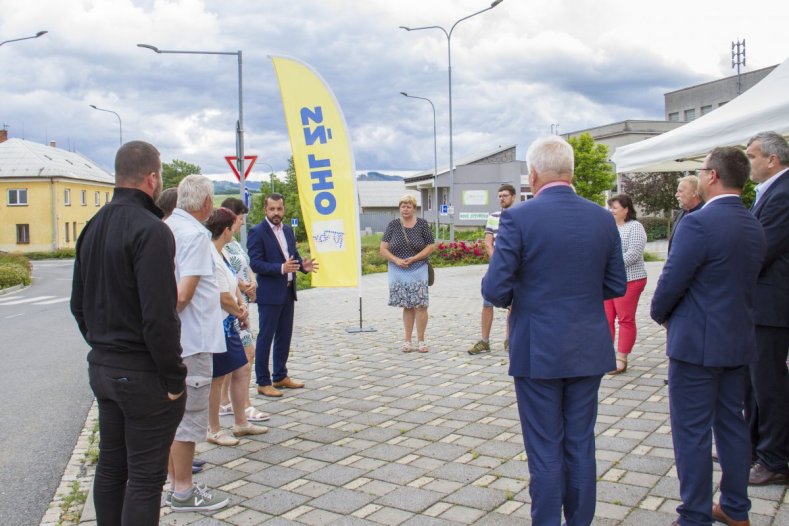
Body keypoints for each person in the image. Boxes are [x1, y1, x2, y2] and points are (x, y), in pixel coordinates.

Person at [482, 136, 626, 525]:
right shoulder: (602, 217)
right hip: (588, 345)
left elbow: (495, 289)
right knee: (580, 442)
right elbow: (616, 284)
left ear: (532, 175)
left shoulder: (518, 218)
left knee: (545, 447)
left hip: (538, 348)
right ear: (572, 172)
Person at [70, 140, 187, 525]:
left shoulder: (92, 225)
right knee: (144, 477)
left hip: (103, 367)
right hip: (142, 374)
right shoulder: (151, 230)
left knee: (111, 466)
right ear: (152, 178)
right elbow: (160, 316)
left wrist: (104, 346)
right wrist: (174, 377)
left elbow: (78, 304)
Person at [651, 146, 766, 526]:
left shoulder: (698, 223)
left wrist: (659, 314)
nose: (698, 176)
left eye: (701, 170)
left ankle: (694, 515)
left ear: (712, 176)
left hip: (696, 344)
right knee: (732, 425)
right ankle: (735, 507)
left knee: (692, 433)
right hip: (737, 339)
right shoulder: (753, 223)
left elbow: (672, 281)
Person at [165, 174, 229, 512]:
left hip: (175, 340)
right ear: (205, 204)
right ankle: (184, 492)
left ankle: (175, 483)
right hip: (192, 341)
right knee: (189, 420)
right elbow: (184, 294)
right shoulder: (194, 236)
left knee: (174, 417)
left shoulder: (167, 226)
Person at [744, 131, 789, 486]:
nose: (748, 163)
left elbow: (762, 249)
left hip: (773, 306)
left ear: (772, 159)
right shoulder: (772, 191)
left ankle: (774, 458)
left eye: (752, 156)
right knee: (758, 382)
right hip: (764, 305)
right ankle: (755, 445)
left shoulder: (783, 193)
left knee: (769, 383)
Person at [203, 207, 268, 446]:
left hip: (231, 321)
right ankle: (214, 429)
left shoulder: (223, 254)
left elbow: (233, 284)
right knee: (218, 377)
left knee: (241, 367)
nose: (236, 229)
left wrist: (241, 304)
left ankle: (241, 422)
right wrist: (239, 310)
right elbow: (221, 294)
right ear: (226, 230)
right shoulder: (210, 254)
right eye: (234, 225)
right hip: (220, 323)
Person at [247, 193, 318, 397]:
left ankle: (280, 376)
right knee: (265, 338)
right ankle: (262, 381)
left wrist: (302, 267)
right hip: (269, 294)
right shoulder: (257, 232)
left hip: (288, 292)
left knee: (284, 337)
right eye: (272, 209)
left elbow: (292, 257)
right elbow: (255, 263)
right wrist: (280, 268)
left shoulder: (287, 230)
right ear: (265, 210)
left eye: (279, 209)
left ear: (284, 209)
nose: (276, 213)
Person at [218, 197, 269, 422]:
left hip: (243, 304)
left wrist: (252, 284)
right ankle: (243, 405)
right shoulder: (219, 242)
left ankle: (226, 402)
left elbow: (244, 265)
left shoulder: (235, 242)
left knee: (234, 357)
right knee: (246, 354)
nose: (241, 223)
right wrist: (242, 286)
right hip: (232, 307)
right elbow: (224, 273)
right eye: (239, 219)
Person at [380, 194, 436, 353]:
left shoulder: (423, 224)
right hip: (398, 270)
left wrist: (415, 258)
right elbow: (383, 248)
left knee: (421, 305)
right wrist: (396, 260)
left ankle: (421, 340)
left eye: (408, 206)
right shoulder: (393, 225)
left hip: (418, 268)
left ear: (414, 208)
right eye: (403, 206)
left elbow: (431, 246)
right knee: (407, 305)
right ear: (400, 208)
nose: (405, 209)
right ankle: (407, 340)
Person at [468, 184, 516, 355]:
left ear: (513, 197)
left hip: (513, 268)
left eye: (505, 195)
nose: (502, 198)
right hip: (496, 266)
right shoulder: (493, 216)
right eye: (499, 196)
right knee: (487, 301)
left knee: (513, 305)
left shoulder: (519, 216)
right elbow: (488, 242)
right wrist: (497, 262)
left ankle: (510, 340)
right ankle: (485, 341)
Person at [604, 194, 648, 374]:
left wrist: (609, 265)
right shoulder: (609, 227)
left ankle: (621, 358)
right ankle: (606, 355)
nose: (611, 211)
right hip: (608, 280)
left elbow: (633, 254)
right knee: (606, 318)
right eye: (610, 207)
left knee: (624, 319)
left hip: (630, 279)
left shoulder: (635, 227)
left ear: (626, 209)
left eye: (614, 207)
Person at [668, 175, 704, 254]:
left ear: (694, 193)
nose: (676, 195)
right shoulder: (680, 214)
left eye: (680, 191)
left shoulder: (706, 214)